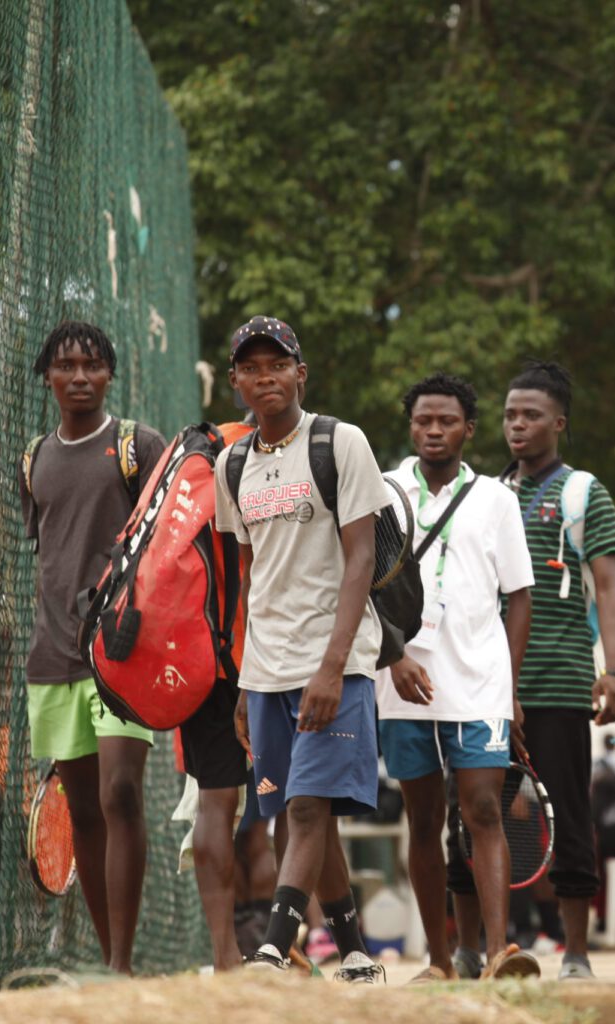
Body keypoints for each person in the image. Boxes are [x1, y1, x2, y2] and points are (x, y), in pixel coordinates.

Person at [214, 316, 386, 983]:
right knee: (296, 807)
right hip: (266, 669)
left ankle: (271, 949)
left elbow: (362, 555)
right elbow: (252, 575)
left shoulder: (340, 442)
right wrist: (242, 678)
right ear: (235, 383)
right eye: (251, 369)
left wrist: (332, 667)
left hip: (334, 660)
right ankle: (353, 951)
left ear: (300, 373)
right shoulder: (233, 464)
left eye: (277, 365)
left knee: (308, 807)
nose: (266, 378)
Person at [375, 372, 540, 982]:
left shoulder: (497, 499)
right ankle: (440, 960)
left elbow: (519, 595)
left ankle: (500, 953)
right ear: (410, 425)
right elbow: (365, 586)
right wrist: (394, 654)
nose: (434, 430)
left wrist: (510, 687)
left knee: (483, 811)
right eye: (424, 421)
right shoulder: (385, 490)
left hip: (478, 682)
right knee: (421, 819)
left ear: (469, 429)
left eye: (447, 421)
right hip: (402, 682)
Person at [19, 321, 166, 974]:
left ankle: (123, 968)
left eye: (93, 365)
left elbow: (169, 546)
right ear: (47, 377)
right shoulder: (33, 460)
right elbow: (48, 554)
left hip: (123, 655)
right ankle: (110, 967)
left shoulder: (138, 446)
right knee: (83, 811)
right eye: (66, 365)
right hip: (53, 659)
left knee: (121, 795)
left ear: (110, 375)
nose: (80, 376)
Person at [498, 360, 615, 981]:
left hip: (560, 683)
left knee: (571, 814)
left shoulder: (582, 493)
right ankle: (490, 947)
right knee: (477, 817)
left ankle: (575, 952)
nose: (517, 425)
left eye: (531, 415)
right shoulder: (489, 493)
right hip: (488, 692)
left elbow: (609, 585)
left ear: (559, 423)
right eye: (509, 415)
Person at [175, 414, 256, 972]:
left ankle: (226, 954)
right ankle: (294, 945)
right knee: (303, 807)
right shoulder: (286, 453)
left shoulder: (194, 451)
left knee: (215, 803)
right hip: (266, 654)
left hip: (200, 653)